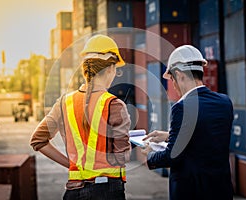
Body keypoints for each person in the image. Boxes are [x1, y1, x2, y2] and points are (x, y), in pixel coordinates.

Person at [30, 34, 131, 200]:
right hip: (107, 191)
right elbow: (121, 157)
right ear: (111, 68)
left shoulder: (64, 102)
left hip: (74, 192)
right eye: (116, 69)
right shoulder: (114, 105)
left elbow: (37, 140)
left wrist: (72, 165)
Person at [142, 45, 234, 200]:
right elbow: (205, 136)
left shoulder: (182, 108)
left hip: (192, 192)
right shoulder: (225, 102)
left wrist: (150, 156)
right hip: (221, 190)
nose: (173, 84)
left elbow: (173, 156)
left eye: (171, 79)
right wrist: (168, 136)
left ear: (179, 75)